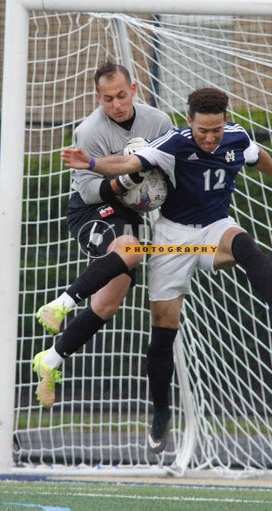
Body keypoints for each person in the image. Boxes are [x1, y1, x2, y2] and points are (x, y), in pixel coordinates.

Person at [61, 87, 272, 453]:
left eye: (216, 130)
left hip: (214, 228)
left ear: (226, 121)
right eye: (203, 131)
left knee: (243, 242)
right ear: (189, 122)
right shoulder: (174, 143)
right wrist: (91, 163)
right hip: (173, 239)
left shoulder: (236, 137)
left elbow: (258, 156)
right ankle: (161, 413)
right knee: (163, 330)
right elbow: (128, 164)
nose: (210, 139)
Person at [32, 61, 174, 408]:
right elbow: (90, 191)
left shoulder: (159, 122)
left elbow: (172, 170)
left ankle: (50, 360)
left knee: (107, 304)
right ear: (98, 98)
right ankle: (59, 304)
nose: (117, 104)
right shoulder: (89, 132)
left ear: (134, 89)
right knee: (130, 249)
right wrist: (129, 178)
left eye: (122, 95)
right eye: (108, 99)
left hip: (129, 212)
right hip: (91, 209)